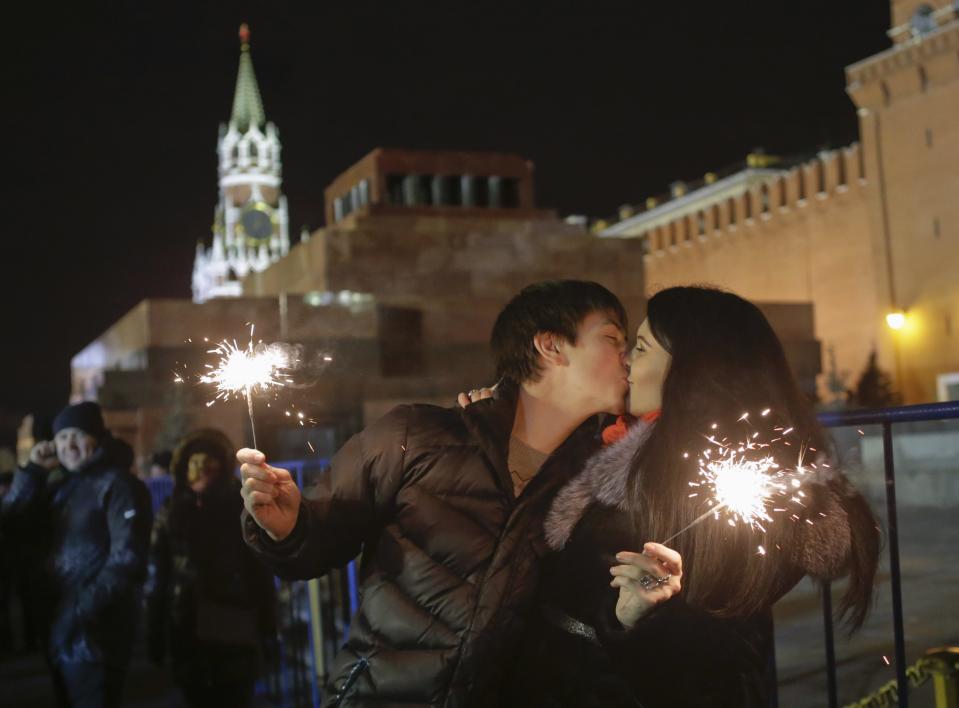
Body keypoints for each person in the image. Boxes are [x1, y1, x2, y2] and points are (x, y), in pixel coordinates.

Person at [464, 286, 880, 707]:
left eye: (641, 347)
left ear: (692, 369)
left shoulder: (733, 491)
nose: (625, 359)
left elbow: (723, 660)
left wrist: (640, 620)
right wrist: (505, 432)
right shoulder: (612, 441)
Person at [238, 280, 634, 707]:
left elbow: (592, 630)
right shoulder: (416, 435)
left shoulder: (602, 485)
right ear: (551, 345)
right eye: (612, 339)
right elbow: (319, 537)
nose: (626, 357)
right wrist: (290, 527)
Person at [0, 401, 152, 708]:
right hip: (59, 630)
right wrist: (31, 472)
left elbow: (127, 560)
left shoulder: (118, 484)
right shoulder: (59, 487)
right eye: (62, 436)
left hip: (96, 635)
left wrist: (78, 612)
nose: (69, 443)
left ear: (96, 438)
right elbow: (11, 524)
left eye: (78, 435)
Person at [146, 429, 275, 707]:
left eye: (210, 465)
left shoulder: (240, 509)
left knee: (235, 695)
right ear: (183, 469)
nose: (202, 473)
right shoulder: (172, 511)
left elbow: (260, 573)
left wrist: (268, 629)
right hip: (187, 627)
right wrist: (154, 631)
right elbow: (158, 575)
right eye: (195, 466)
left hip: (233, 625)